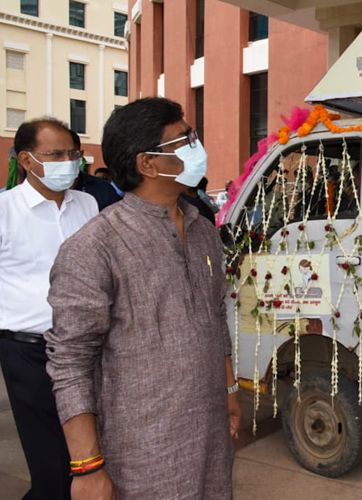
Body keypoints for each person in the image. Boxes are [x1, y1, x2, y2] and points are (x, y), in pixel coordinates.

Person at [45, 98, 239, 499]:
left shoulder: (204, 230)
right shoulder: (95, 246)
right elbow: (70, 363)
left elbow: (216, 316)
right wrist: (87, 467)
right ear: (147, 165)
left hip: (210, 432)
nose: (196, 147)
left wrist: (229, 390)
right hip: (143, 447)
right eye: (184, 140)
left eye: (194, 136)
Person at [0, 117, 98, 499]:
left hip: (87, 349)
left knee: (88, 455)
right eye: (56, 154)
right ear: (27, 159)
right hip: (30, 353)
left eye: (73, 154)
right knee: (50, 465)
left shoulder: (88, 204)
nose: (68, 162)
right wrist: (5, 324)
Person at [71, 132, 122, 211]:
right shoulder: (46, 192)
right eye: (56, 154)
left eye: (72, 153)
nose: (66, 159)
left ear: (81, 154)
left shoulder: (104, 190)